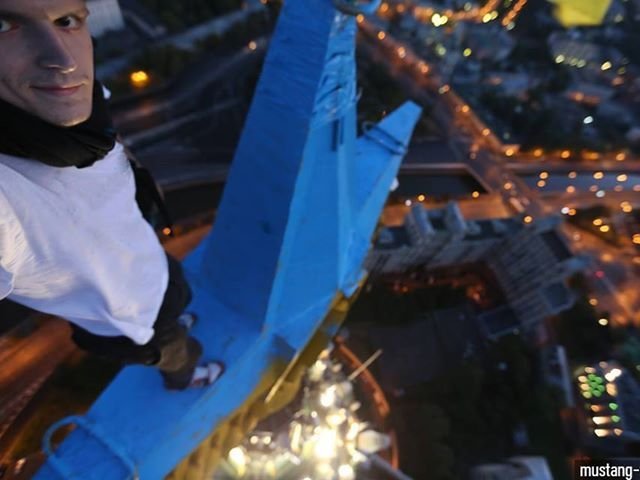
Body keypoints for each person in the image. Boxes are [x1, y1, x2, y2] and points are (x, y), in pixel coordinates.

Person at [0, 0, 221, 389]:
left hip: (147, 265)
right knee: (175, 353)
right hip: (126, 319)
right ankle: (188, 378)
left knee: (175, 301)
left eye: (66, 20)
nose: (65, 61)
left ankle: (178, 323)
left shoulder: (76, 105)